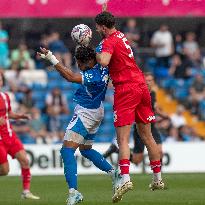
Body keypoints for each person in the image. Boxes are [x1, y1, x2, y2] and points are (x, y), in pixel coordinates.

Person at [95, 10, 164, 202]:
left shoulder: (109, 41)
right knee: (148, 136)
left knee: (123, 139)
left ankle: (125, 178)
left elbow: (104, 61)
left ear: (102, 27)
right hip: (142, 86)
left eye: (98, 27)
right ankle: (157, 179)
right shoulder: (120, 35)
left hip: (126, 89)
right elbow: (109, 33)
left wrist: (95, 51)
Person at [38, 46, 120, 205]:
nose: (78, 65)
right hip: (97, 110)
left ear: (88, 61)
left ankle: (74, 192)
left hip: (86, 113)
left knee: (67, 151)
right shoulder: (103, 67)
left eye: (79, 62)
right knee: (86, 150)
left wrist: (51, 58)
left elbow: (69, 76)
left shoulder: (93, 75)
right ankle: (114, 173)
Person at [0, 73, 39, 199]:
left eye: (0, 79)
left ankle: (26, 192)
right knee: (5, 171)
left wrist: (20, 116)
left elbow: (9, 113)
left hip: (10, 135)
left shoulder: (5, 96)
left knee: (25, 160)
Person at [131, 73, 169, 165]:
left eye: (150, 80)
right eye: (146, 80)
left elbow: (155, 107)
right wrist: (166, 116)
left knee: (159, 151)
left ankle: (158, 177)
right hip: (140, 127)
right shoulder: (138, 93)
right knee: (137, 160)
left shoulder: (153, 94)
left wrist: (163, 116)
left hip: (152, 127)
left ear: (153, 82)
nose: (148, 82)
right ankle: (116, 150)